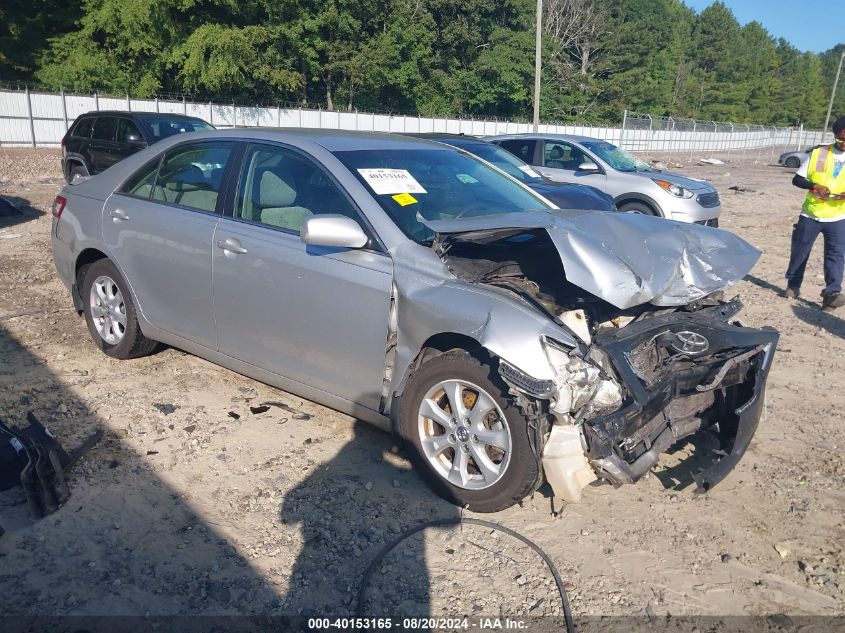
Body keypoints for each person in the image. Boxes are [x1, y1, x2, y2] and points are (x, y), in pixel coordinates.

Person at [784, 117, 845, 311]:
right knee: (800, 251)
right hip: (810, 214)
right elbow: (797, 179)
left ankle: (832, 294)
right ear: (836, 135)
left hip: (838, 216)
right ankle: (793, 286)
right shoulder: (819, 153)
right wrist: (813, 185)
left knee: (835, 255)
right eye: (842, 140)